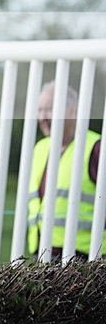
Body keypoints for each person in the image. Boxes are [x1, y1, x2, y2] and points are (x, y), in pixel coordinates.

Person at [27, 81, 104, 260]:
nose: (43, 117)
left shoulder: (96, 148)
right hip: (43, 254)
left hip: (87, 258)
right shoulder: (40, 148)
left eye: (50, 109)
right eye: (40, 110)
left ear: (72, 111)